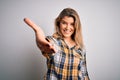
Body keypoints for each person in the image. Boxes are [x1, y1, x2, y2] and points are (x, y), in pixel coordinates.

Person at [24, 8, 90, 80]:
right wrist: (42, 43)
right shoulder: (54, 41)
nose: (68, 27)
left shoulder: (81, 48)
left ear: (76, 26)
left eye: (72, 24)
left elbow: (84, 74)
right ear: (58, 23)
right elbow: (44, 44)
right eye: (64, 23)